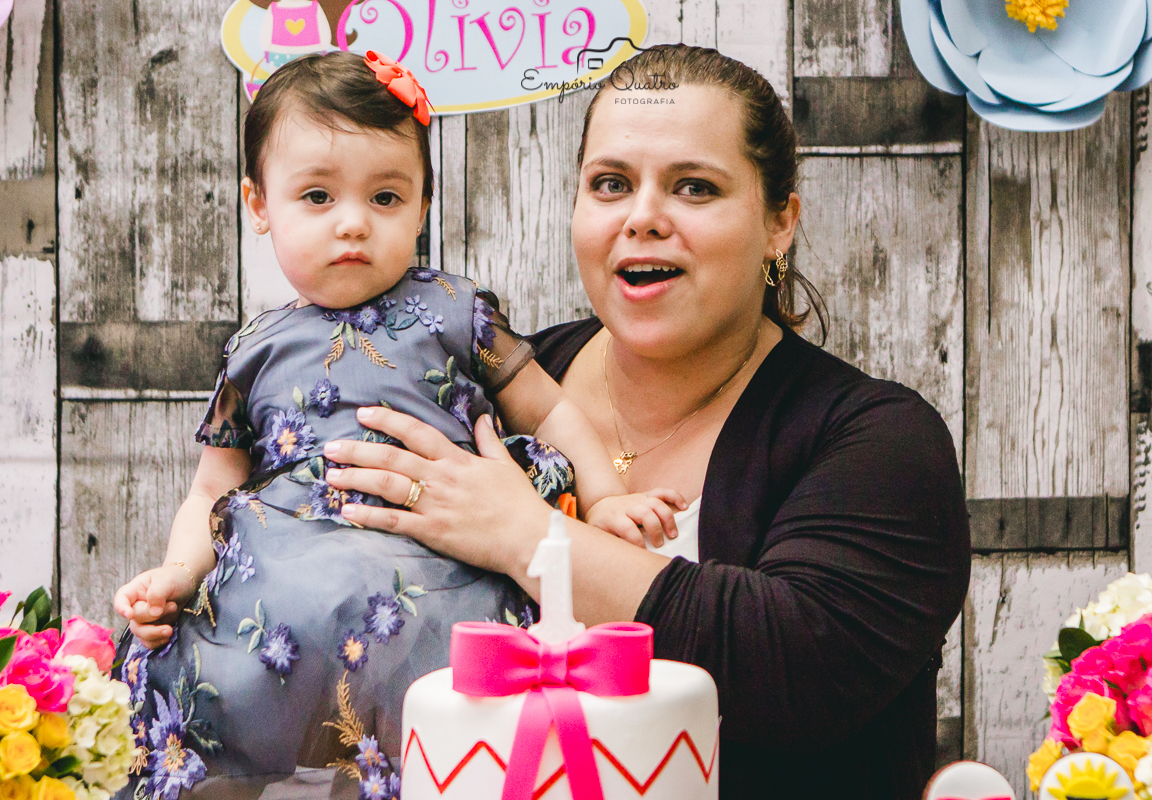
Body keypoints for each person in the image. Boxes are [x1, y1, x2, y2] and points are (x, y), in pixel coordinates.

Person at [320, 44, 973, 799]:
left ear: (778, 223)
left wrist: (526, 535)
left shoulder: (879, 441)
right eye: (610, 184)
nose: (643, 218)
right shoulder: (488, 391)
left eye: (694, 187)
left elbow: (792, 671)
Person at [110, 50, 684, 799]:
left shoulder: (457, 310)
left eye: (385, 198)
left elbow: (549, 409)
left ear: (421, 207)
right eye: (317, 197)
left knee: (452, 736)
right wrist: (177, 577)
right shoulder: (252, 350)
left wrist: (602, 497)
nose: (353, 223)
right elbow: (210, 490)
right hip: (281, 590)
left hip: (437, 576)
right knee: (216, 703)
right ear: (259, 205)